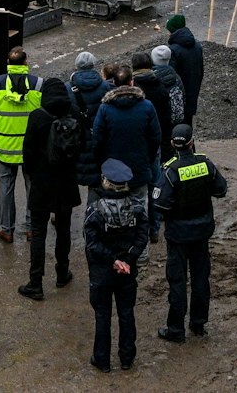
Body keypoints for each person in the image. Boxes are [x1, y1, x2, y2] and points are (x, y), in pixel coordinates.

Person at [153, 122, 227, 343]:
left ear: (173, 145)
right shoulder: (205, 164)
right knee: (201, 278)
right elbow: (221, 189)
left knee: (177, 281)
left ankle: (176, 329)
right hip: (202, 232)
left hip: (177, 235)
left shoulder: (170, 170)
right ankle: (198, 323)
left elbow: (159, 204)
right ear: (192, 142)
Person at [19, 76, 84, 300]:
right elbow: (82, 144)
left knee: (38, 232)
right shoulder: (74, 112)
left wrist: (33, 173)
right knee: (63, 229)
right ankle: (62, 272)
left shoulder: (38, 116)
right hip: (66, 181)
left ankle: (36, 282)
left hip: (42, 183)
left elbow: (27, 151)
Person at [84, 159, 148, 372]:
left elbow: (92, 244)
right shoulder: (137, 208)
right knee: (126, 312)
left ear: (105, 181)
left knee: (102, 315)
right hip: (127, 271)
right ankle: (127, 357)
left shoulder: (95, 210)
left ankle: (102, 360)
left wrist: (113, 261)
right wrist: (127, 259)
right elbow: (142, 238)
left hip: (102, 271)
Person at [0, 46, 42, 243]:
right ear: (26, 62)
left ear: (8, 64)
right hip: (31, 148)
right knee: (32, 187)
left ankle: (7, 229)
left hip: (4, 146)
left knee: (6, 187)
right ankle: (32, 228)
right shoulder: (38, 84)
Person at [91, 62, 160, 203]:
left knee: (114, 207)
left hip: (113, 170)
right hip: (139, 168)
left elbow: (97, 140)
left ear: (114, 82)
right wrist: (148, 159)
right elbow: (155, 138)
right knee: (139, 205)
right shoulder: (147, 106)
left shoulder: (105, 108)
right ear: (132, 82)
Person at [164, 16, 204, 124]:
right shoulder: (197, 45)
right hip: (193, 89)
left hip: (180, 94)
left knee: (178, 126)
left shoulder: (173, 50)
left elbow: (172, 75)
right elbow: (201, 70)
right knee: (188, 122)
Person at [67, 51, 107, 122]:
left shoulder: (67, 88)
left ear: (77, 66)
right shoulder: (105, 85)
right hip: (101, 124)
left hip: (81, 127)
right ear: (93, 64)